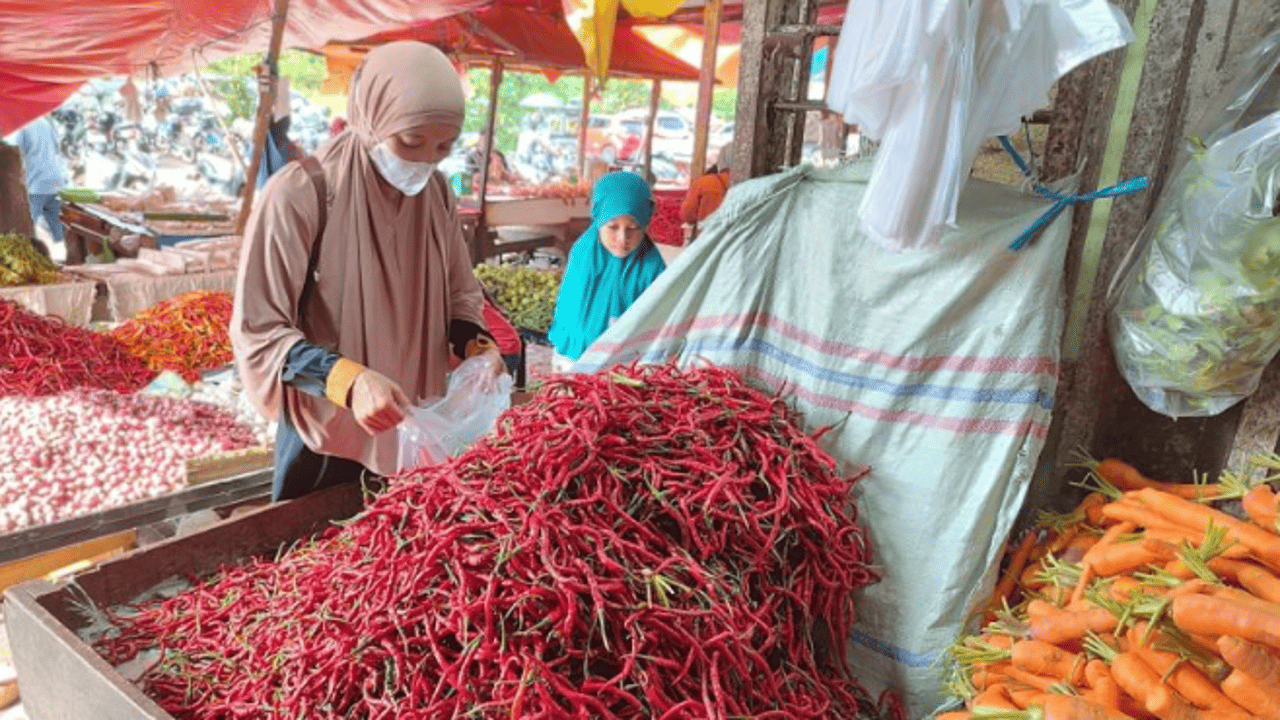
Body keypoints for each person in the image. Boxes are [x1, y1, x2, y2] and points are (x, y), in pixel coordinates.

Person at [231, 41, 504, 502]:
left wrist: (477, 348)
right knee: (313, 566)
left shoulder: (436, 194)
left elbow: (460, 294)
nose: (424, 161)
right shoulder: (300, 194)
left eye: (443, 146)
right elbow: (260, 331)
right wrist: (350, 381)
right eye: (410, 142)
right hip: (326, 438)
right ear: (371, 117)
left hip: (417, 430)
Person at [547, 171, 666, 371]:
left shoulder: (652, 266)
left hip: (629, 367)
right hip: (576, 359)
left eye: (633, 228)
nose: (622, 238)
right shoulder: (584, 256)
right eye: (613, 227)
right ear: (599, 220)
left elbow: (659, 323)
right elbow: (571, 316)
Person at [13, 116, 66, 259]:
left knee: (29, 227)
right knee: (57, 227)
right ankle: (65, 259)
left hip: (36, 183)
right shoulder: (45, 123)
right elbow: (57, 148)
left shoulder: (21, 127)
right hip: (54, 180)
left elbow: (15, 154)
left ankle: (36, 260)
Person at [679, 142, 733, 241]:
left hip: (705, 238)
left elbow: (687, 214)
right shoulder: (749, 183)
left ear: (721, 159)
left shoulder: (704, 183)